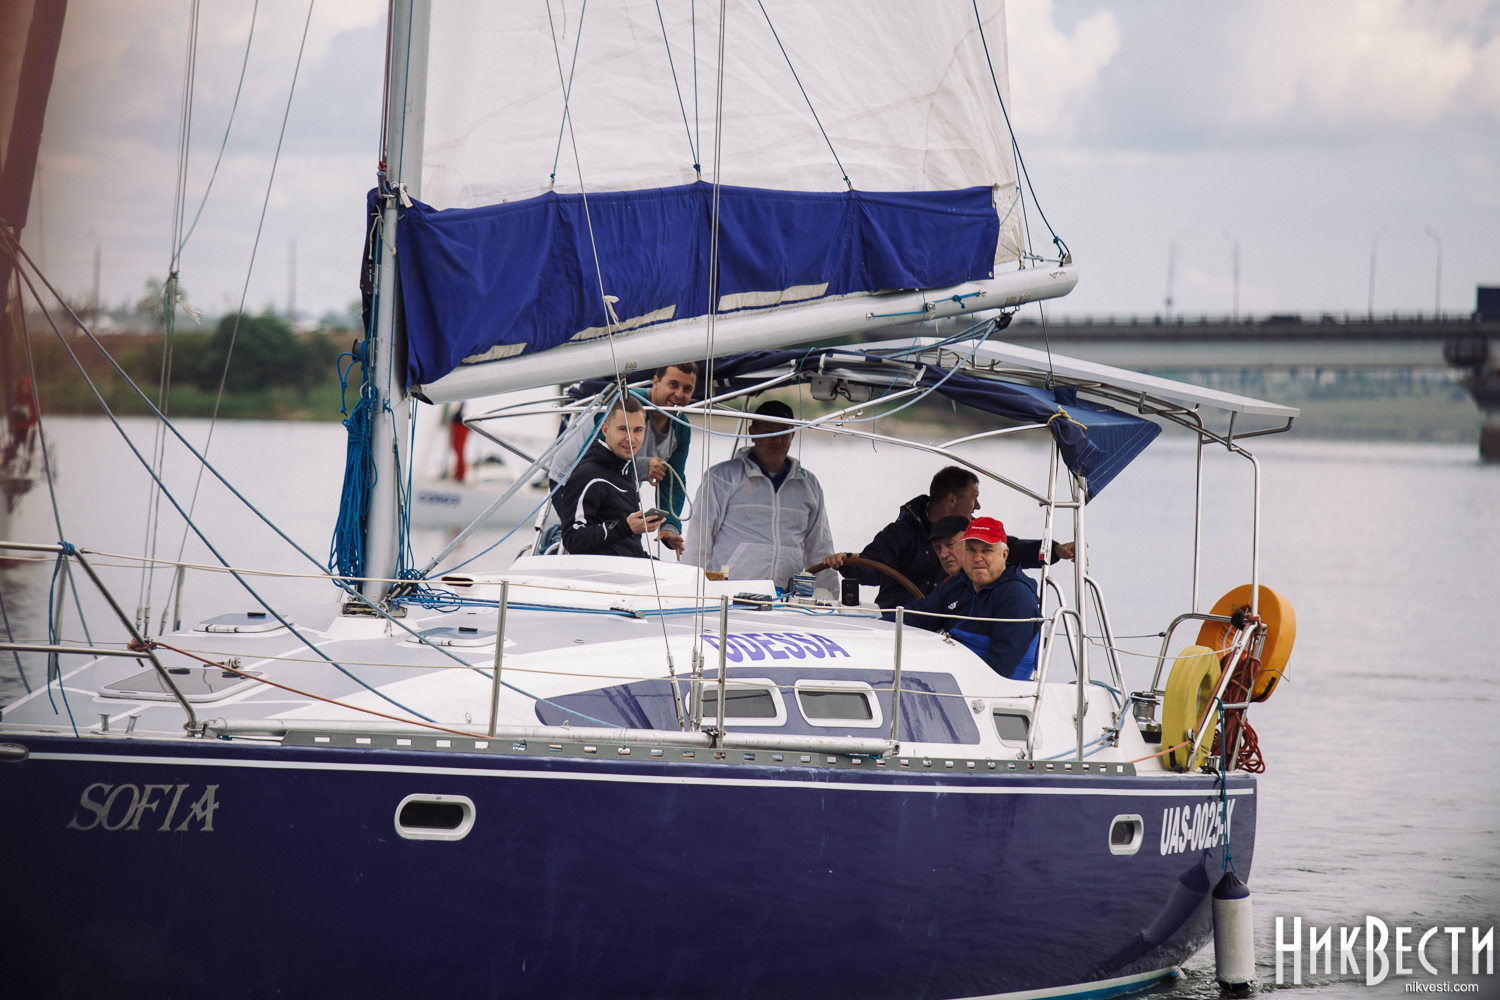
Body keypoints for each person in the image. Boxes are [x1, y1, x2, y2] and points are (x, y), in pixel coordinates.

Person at [823, 466, 1073, 611]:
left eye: (950, 545)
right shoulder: (900, 532)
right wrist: (847, 562)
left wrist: (1055, 550)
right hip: (899, 626)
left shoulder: (972, 531)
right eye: (974, 498)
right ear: (952, 499)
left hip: (945, 631)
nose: (978, 506)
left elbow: (1010, 548)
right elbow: (873, 567)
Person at [683, 399, 836, 592]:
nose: (777, 440)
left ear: (793, 434)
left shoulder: (809, 485)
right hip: (730, 595)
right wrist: (689, 591)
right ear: (752, 433)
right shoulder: (721, 478)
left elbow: (820, 548)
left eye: (784, 432)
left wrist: (828, 596)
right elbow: (698, 540)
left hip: (785, 598)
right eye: (769, 431)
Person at [549, 363, 698, 555]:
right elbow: (595, 456)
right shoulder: (626, 404)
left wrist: (669, 527)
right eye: (673, 385)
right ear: (656, 382)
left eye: (687, 389)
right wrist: (642, 466)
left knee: (621, 543)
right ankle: (554, 540)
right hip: (569, 479)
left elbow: (673, 481)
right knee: (593, 544)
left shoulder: (681, 426)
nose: (679, 394)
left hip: (618, 483)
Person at [904, 517, 1042, 680]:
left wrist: (939, 676)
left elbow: (1000, 668)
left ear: (1004, 555)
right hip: (954, 678)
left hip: (993, 689)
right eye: (970, 550)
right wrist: (879, 625)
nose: (977, 558)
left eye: (986, 550)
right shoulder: (957, 584)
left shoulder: (1016, 595)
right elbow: (913, 617)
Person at [555, 396, 666, 558]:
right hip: (603, 571)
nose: (631, 438)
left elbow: (625, 547)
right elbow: (573, 539)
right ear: (605, 430)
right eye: (623, 429)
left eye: (638, 430)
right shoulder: (588, 475)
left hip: (627, 567)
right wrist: (625, 527)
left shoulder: (624, 471)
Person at [928, 514, 971, 581]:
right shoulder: (944, 585)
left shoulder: (984, 583)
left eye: (950, 544)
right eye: (938, 548)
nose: (943, 555)